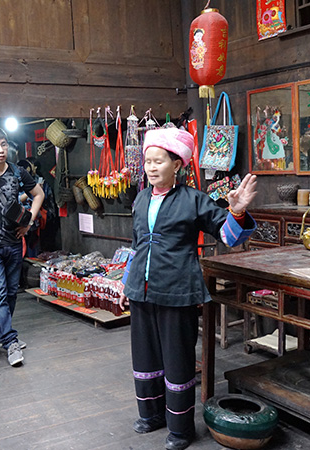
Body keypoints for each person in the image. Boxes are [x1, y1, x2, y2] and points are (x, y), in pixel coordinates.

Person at [119, 128, 258, 450]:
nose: (151, 168)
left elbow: (229, 236)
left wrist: (235, 210)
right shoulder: (140, 198)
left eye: (158, 161)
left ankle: (180, 429)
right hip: (141, 289)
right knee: (144, 357)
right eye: (148, 162)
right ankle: (152, 414)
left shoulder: (193, 200)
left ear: (177, 164)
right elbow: (137, 244)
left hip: (177, 290)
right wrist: (128, 281)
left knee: (177, 359)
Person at [0, 125, 44, 366]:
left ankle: (0, 334)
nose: (0, 149)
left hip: (14, 242)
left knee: (12, 292)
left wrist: (30, 220)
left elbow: (39, 194)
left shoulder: (16, 172)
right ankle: (11, 341)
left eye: (3, 144)